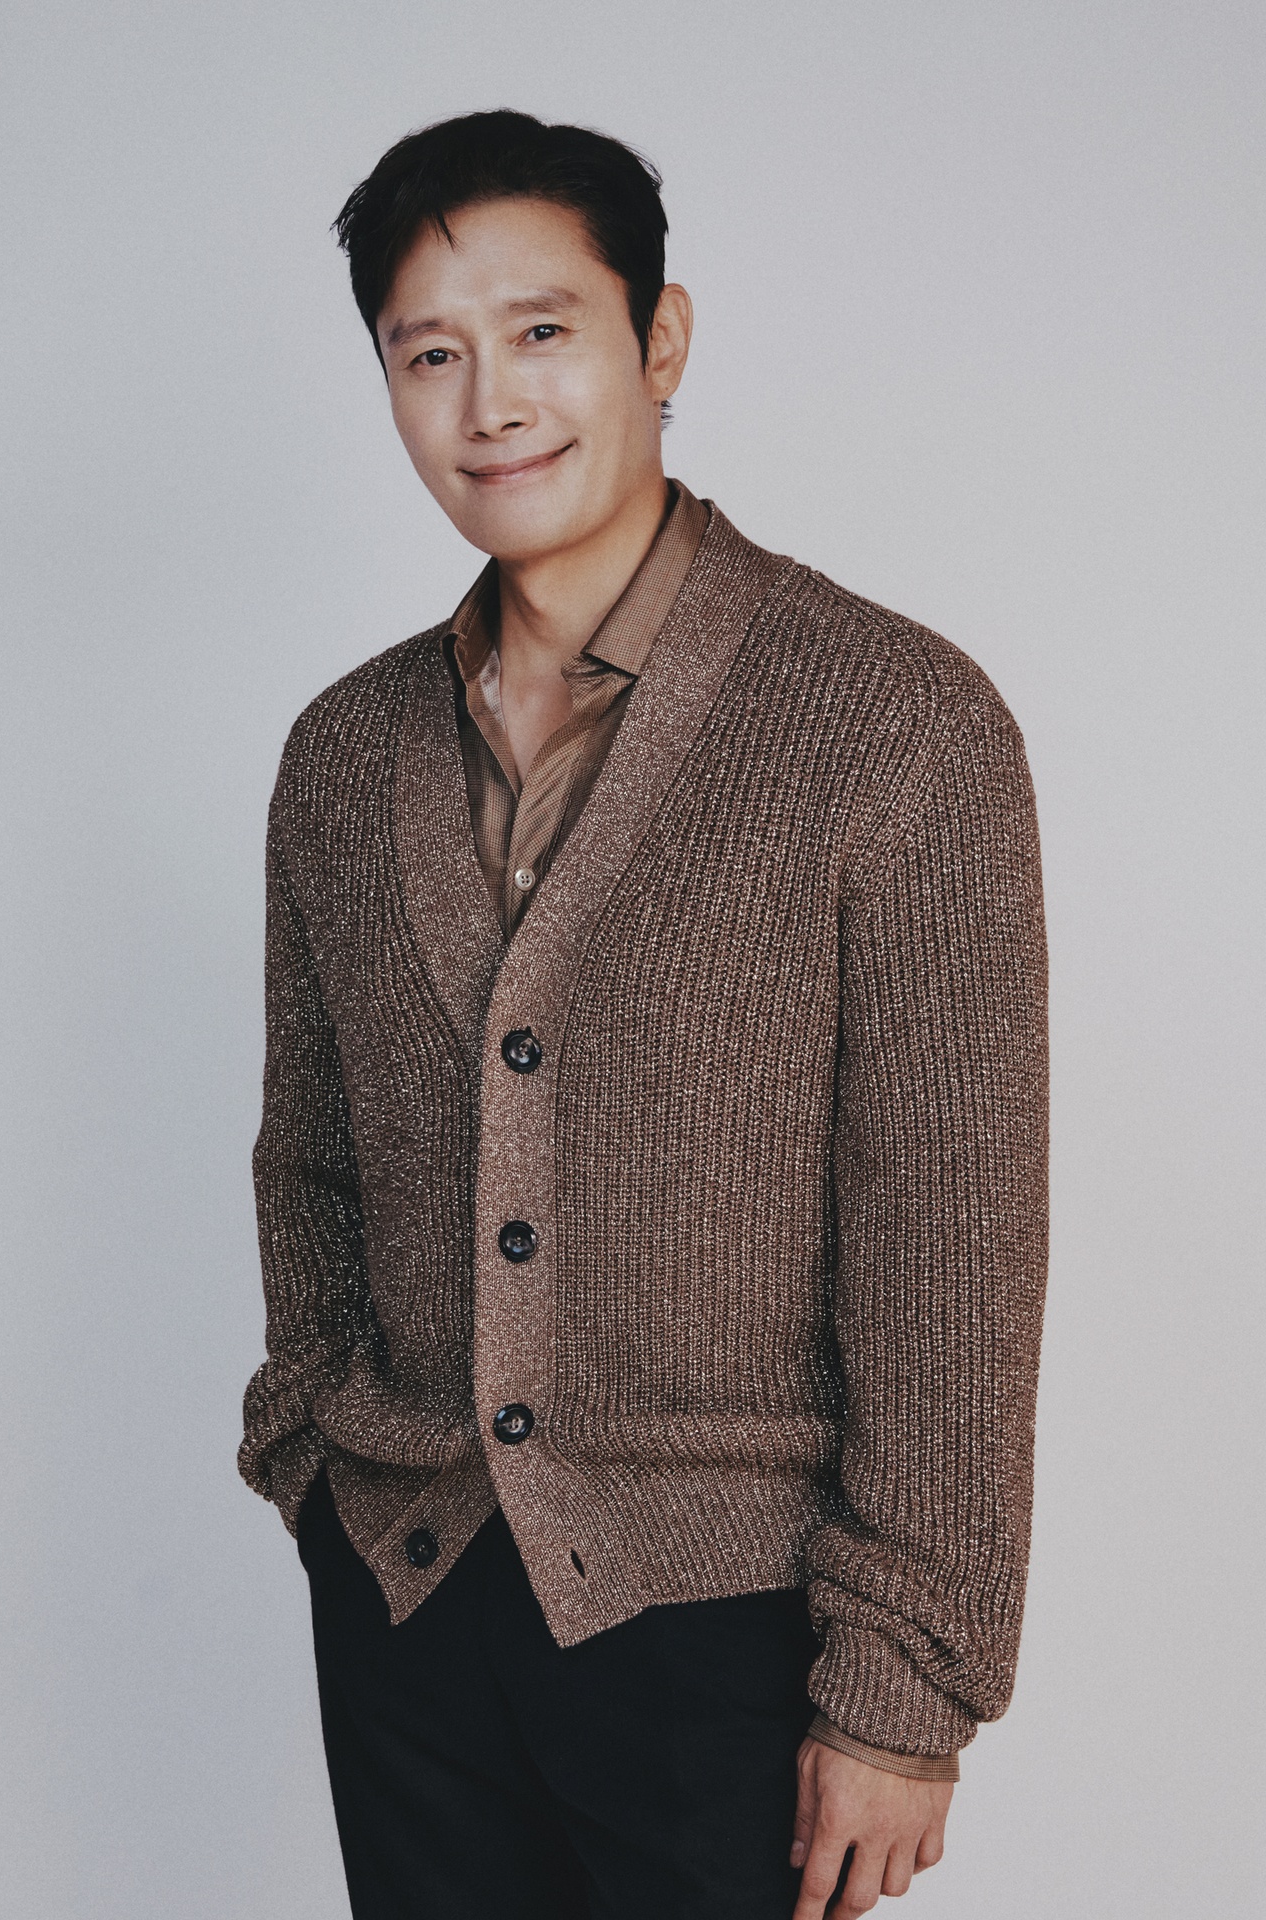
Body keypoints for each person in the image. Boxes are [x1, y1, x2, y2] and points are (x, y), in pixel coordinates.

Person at [238, 109, 1049, 1920]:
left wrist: (907, 1688)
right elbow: (310, 1161)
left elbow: (952, 1244)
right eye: (429, 355)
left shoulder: (896, 725)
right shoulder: (342, 754)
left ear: (658, 339)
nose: (490, 404)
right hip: (410, 1595)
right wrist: (318, 1463)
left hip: (733, 1627)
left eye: (542, 331)